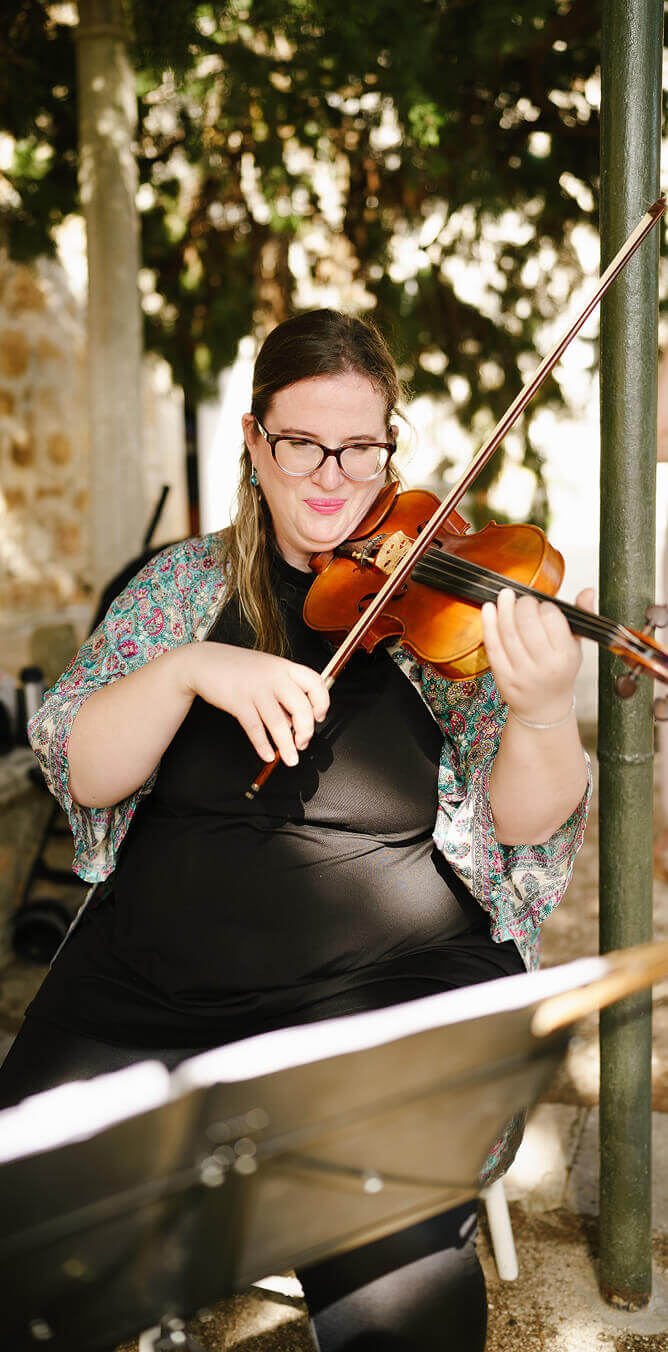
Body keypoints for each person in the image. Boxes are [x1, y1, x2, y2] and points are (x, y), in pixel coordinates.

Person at [0, 309, 591, 1350]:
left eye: (362, 446)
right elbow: (80, 762)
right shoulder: (184, 587)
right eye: (302, 444)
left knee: (405, 1310)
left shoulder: (438, 600)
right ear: (253, 441)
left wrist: (541, 708)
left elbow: (521, 815)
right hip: (149, 987)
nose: (332, 477)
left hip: (383, 995)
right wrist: (190, 669)